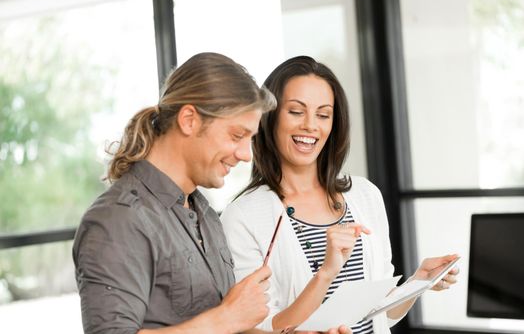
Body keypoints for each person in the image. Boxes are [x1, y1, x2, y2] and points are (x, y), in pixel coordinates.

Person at [220, 56, 459, 334]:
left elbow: (381, 314)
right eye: (296, 112)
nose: (311, 125)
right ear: (269, 118)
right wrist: (326, 272)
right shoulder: (244, 216)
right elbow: (260, 328)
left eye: (323, 115)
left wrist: (418, 283)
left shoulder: (365, 195)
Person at [72, 52, 281, 334]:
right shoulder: (117, 219)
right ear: (189, 120)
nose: (246, 155)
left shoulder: (204, 214)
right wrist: (226, 319)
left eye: (250, 139)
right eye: (236, 136)